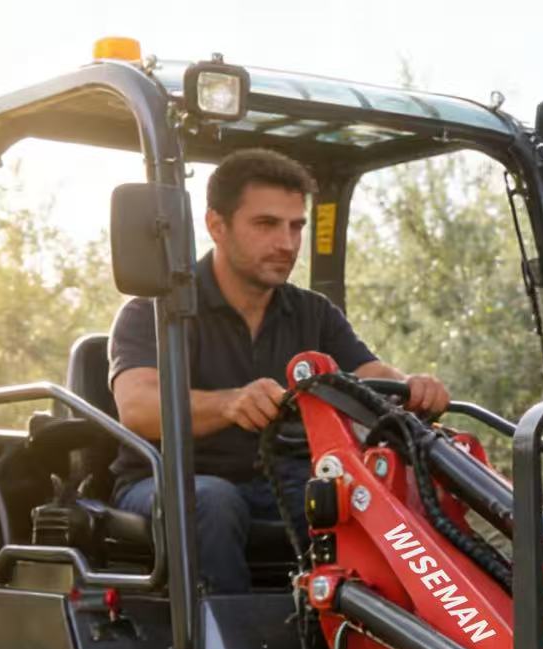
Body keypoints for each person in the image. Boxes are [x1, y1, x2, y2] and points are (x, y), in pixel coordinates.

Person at [108, 147, 451, 594]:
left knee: (371, 495)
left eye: (296, 227)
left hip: (282, 482)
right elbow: (138, 407)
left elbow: (368, 372)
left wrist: (411, 388)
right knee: (211, 500)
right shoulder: (154, 312)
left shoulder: (312, 314)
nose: (287, 244)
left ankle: (364, 646)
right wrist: (230, 403)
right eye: (266, 225)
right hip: (166, 486)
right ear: (216, 225)